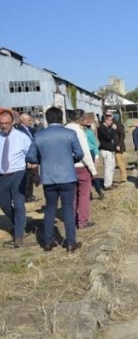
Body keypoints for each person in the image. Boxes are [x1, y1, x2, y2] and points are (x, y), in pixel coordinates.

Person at [26, 107, 83, 252]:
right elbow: (79, 154)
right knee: (68, 209)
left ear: (47, 118)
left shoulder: (39, 135)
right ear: (61, 117)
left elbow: (30, 157)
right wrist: (70, 160)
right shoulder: (70, 133)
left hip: (49, 177)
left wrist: (43, 159)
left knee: (50, 208)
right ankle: (70, 242)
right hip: (67, 176)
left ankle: (48, 242)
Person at [0, 109, 33, 248]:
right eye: (1, 123)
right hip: (2, 176)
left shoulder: (22, 137)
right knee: (4, 204)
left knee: (19, 204)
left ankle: (18, 236)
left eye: (6, 123)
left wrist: (35, 171)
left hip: (18, 174)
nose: (4, 126)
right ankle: (21, 224)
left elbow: (32, 155)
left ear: (13, 122)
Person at [65, 109, 97, 229]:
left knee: (72, 195)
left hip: (68, 167)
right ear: (81, 119)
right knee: (84, 195)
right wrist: (92, 169)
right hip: (81, 166)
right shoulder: (79, 131)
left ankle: (72, 219)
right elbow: (85, 152)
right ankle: (83, 220)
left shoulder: (65, 129)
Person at [14, 112, 39, 202]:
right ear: (23, 121)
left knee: (31, 176)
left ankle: (29, 195)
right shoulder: (19, 131)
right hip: (24, 157)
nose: (31, 121)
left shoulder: (31, 129)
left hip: (31, 155)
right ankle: (26, 196)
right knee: (27, 177)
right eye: (28, 120)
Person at [83, 112, 104, 200]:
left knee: (92, 172)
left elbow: (96, 144)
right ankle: (89, 193)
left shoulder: (89, 132)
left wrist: (96, 155)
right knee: (85, 175)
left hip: (90, 152)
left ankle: (99, 191)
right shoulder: (80, 131)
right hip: (82, 153)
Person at [97, 112, 117, 190]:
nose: (111, 122)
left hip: (110, 150)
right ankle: (107, 185)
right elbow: (109, 137)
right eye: (110, 120)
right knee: (108, 168)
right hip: (106, 150)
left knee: (111, 167)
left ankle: (110, 183)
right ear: (105, 120)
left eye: (112, 120)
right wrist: (113, 129)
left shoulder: (107, 128)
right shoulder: (102, 128)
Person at [113, 114, 127, 183]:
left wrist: (118, 145)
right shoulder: (120, 124)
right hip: (119, 146)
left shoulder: (116, 124)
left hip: (118, 147)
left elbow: (122, 134)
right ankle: (123, 176)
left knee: (120, 162)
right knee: (120, 162)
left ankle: (123, 177)